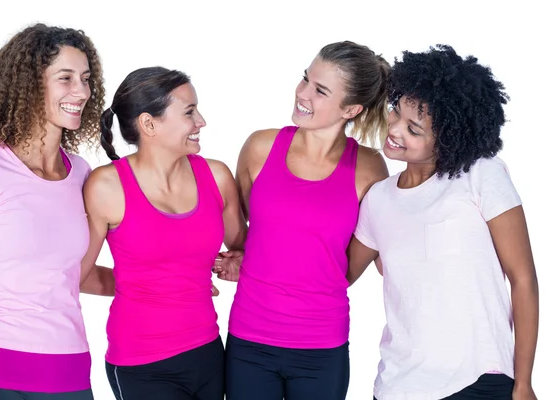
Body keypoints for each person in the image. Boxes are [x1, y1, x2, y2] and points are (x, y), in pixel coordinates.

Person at [347, 45, 539, 400]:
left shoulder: (480, 175)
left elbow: (523, 279)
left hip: (476, 381)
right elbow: (340, 275)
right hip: (396, 386)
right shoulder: (378, 198)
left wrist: (523, 381)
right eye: (396, 112)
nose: (395, 130)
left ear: (448, 139)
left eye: (414, 129)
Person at [215, 40, 390, 400]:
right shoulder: (260, 147)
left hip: (321, 347)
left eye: (320, 90)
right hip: (250, 339)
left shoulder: (370, 169)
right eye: (305, 79)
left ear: (352, 108)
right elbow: (248, 232)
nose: (303, 93)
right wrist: (248, 260)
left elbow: (352, 265)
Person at [0, 23, 105, 400]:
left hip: (72, 372)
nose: (81, 91)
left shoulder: (82, 174)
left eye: (85, 79)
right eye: (65, 78)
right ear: (30, 85)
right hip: (2, 376)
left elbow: (75, 275)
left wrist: (174, 278)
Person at [80, 67, 247, 400]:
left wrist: (240, 262)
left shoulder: (216, 176)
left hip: (209, 351)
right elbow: (76, 275)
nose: (201, 121)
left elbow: (243, 247)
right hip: (142, 364)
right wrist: (147, 286)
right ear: (149, 124)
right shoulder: (107, 186)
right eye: (189, 112)